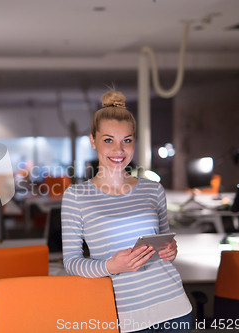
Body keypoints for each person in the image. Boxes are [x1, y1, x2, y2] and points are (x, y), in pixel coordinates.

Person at [61, 91, 192, 333]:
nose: (119, 150)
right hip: (124, 312)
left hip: (174, 306)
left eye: (127, 140)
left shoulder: (153, 189)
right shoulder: (76, 197)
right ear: (93, 140)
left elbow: (165, 248)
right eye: (108, 140)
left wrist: (170, 251)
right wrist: (110, 266)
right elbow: (71, 262)